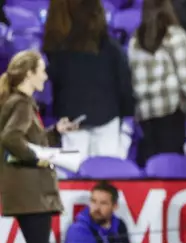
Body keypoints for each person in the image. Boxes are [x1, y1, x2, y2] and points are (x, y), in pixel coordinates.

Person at [0, 50, 77, 243]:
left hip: (24, 187)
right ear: (29, 73)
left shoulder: (18, 102)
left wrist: (55, 133)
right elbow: (11, 138)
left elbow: (27, 138)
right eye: (41, 70)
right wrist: (38, 158)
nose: (45, 75)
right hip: (30, 188)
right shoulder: (21, 104)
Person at [43, 0, 135, 161]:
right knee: (107, 176)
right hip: (104, 121)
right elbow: (125, 88)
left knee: (75, 180)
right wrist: (127, 118)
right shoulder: (111, 48)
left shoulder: (58, 51)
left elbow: (55, 91)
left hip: (75, 121)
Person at [128, 0, 186, 167]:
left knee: (150, 166)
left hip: (144, 114)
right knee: (172, 166)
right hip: (170, 113)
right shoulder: (175, 35)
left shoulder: (135, 38)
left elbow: (131, 77)